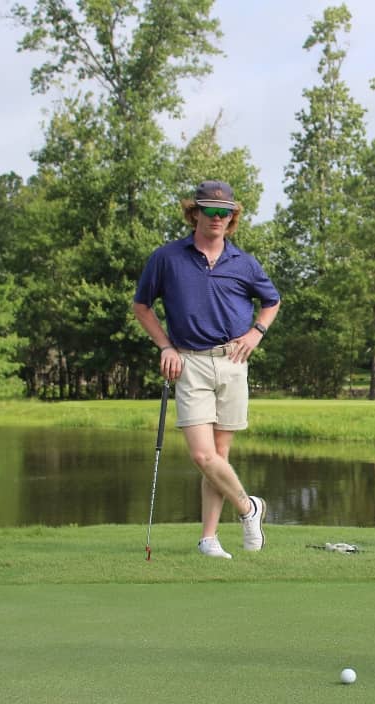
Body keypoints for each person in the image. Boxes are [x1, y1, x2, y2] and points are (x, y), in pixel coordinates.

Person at [133, 180, 281, 559]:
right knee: (203, 456)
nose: (217, 218)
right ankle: (249, 509)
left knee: (219, 455)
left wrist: (256, 334)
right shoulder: (167, 258)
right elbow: (142, 307)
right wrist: (165, 345)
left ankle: (209, 539)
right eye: (210, 211)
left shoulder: (244, 262)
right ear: (194, 213)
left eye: (225, 212)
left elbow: (271, 301)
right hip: (189, 361)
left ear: (232, 217)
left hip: (232, 362)